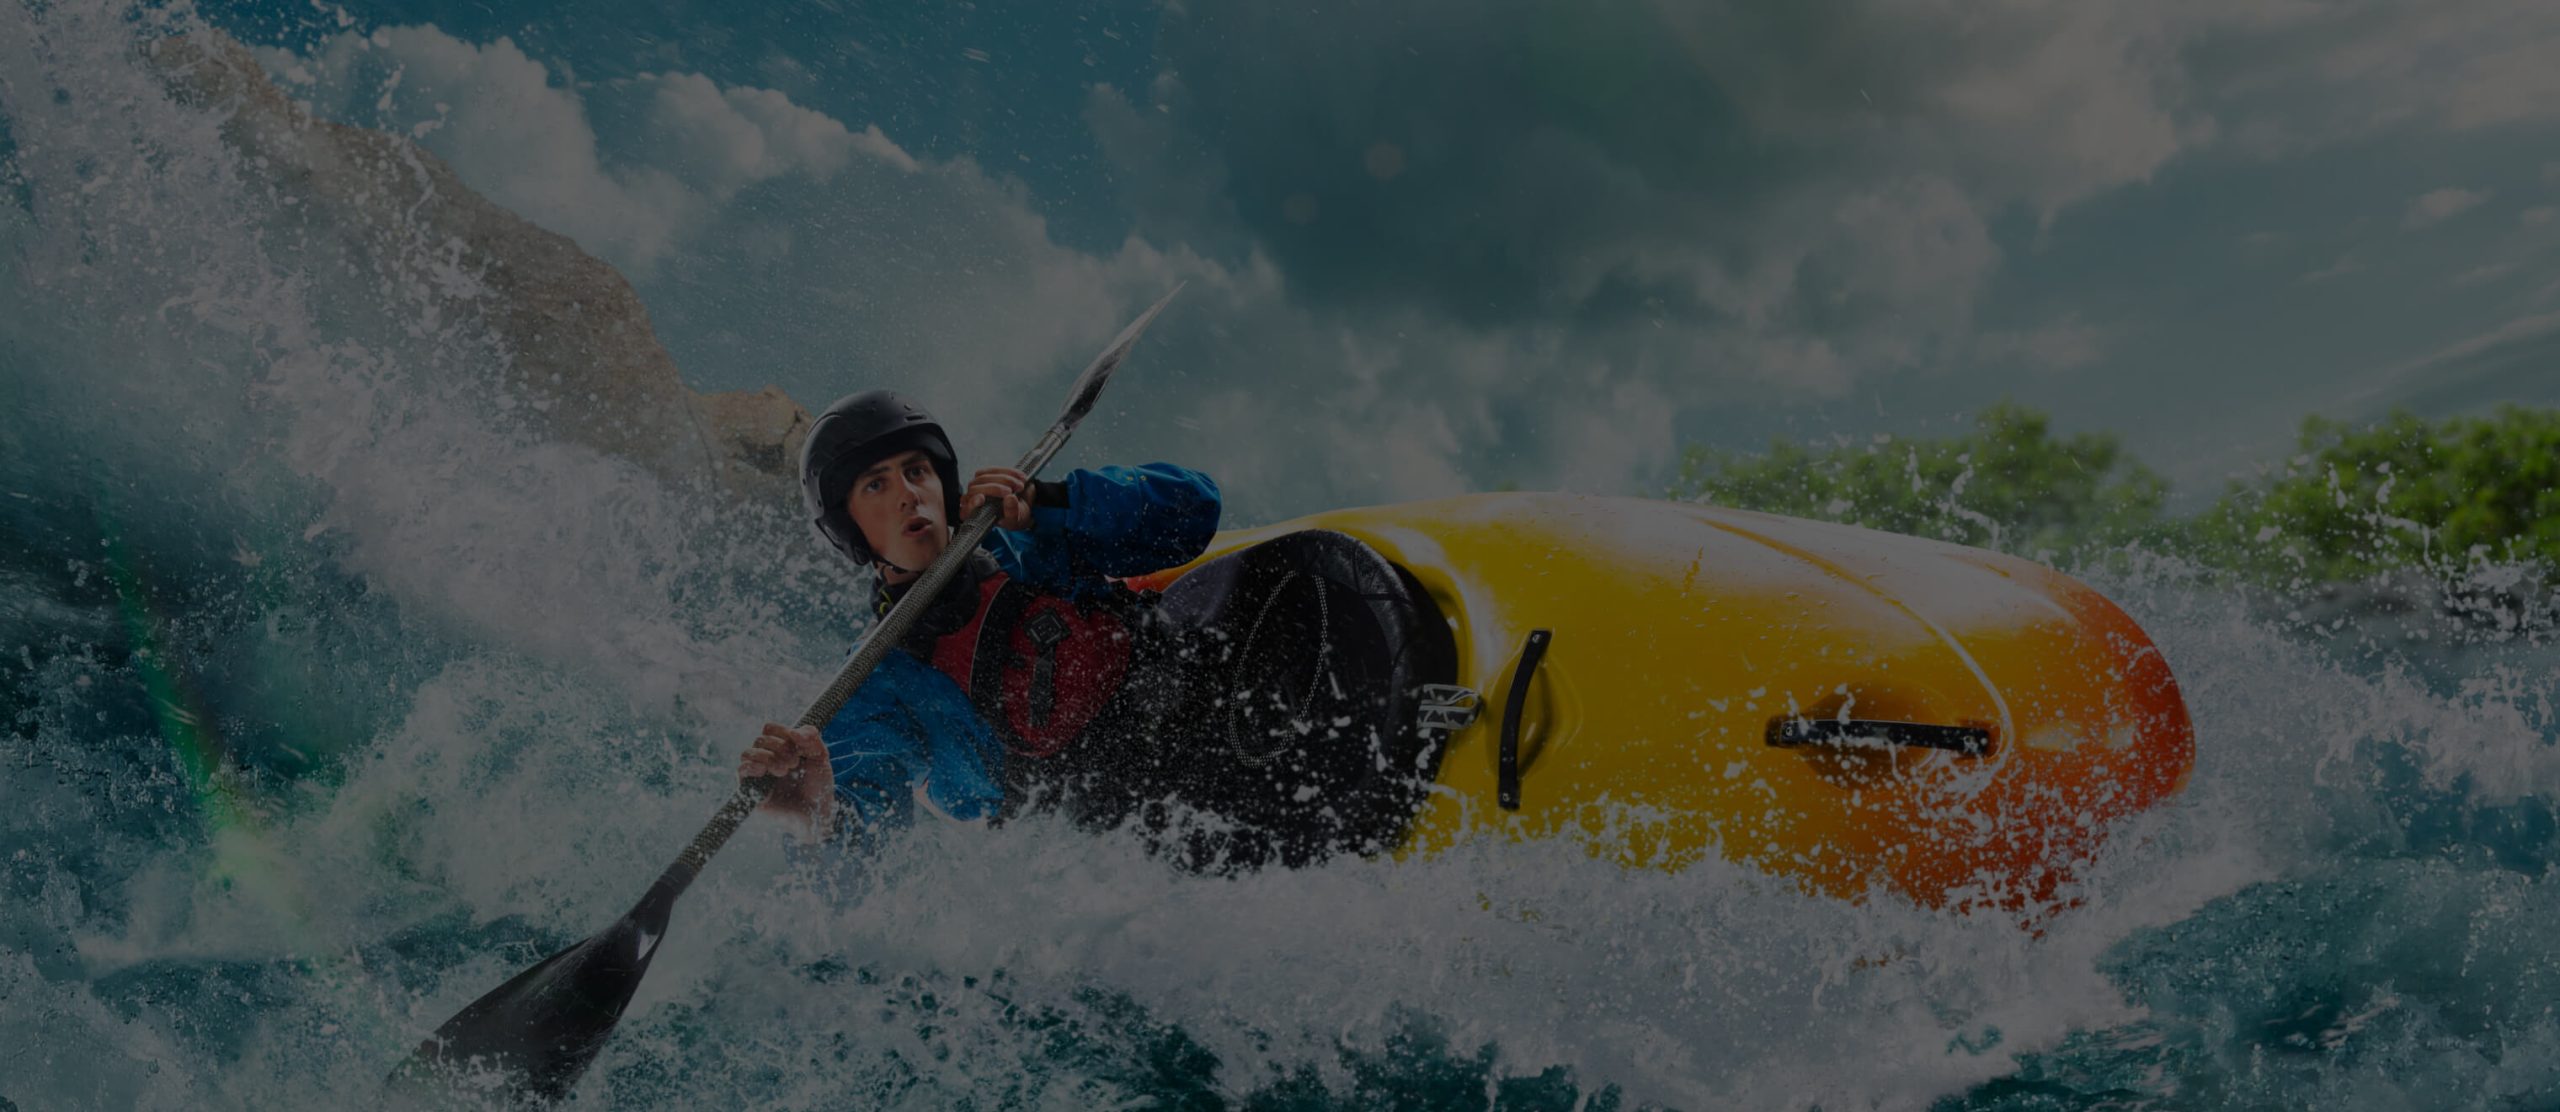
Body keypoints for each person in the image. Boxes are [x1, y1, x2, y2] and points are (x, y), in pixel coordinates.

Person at [734, 389, 1222, 845]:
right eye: (876, 484)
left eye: (917, 471)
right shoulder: (875, 682)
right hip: (1123, 819)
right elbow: (867, 837)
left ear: (944, 486)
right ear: (849, 526)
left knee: (1289, 568)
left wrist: (1049, 504)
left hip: (1195, 693)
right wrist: (815, 814)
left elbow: (1196, 509)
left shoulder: (1024, 535)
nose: (907, 494)